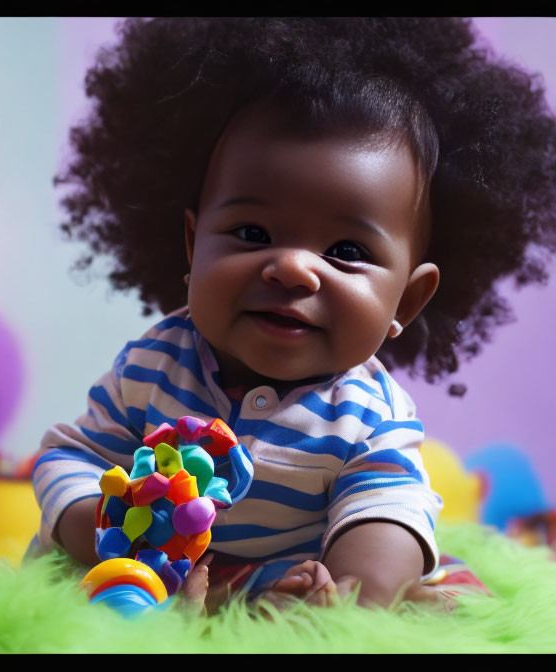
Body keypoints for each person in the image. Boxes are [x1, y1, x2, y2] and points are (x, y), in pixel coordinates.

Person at [31, 18, 556, 612]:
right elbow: (71, 457)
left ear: (405, 303)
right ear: (192, 245)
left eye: (347, 253)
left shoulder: (366, 413)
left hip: (292, 575)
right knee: (62, 585)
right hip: (160, 570)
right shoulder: (154, 364)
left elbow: (389, 506)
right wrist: (103, 531)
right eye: (252, 233)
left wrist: (352, 590)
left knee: (442, 595)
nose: (293, 269)